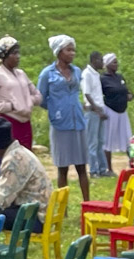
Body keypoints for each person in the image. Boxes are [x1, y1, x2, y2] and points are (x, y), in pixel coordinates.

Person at [35, 34, 90, 201]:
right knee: (63, 168)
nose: (72, 53)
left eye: (73, 50)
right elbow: (41, 98)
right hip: (60, 124)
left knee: (81, 166)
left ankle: (87, 201)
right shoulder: (47, 74)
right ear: (59, 52)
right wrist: (55, 109)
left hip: (78, 122)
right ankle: (62, 205)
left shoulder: (77, 71)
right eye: (68, 50)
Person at [0, 36, 39, 150]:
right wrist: (11, 106)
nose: (18, 56)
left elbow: (37, 95)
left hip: (25, 123)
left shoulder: (21, 74)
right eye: (14, 53)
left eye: (18, 53)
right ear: (4, 55)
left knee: (26, 158)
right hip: (8, 123)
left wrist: (27, 101)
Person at [99, 53, 134, 176]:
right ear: (107, 64)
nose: (116, 64)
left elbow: (127, 90)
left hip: (122, 111)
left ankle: (133, 164)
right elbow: (99, 95)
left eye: (116, 62)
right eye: (114, 62)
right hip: (110, 111)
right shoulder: (103, 79)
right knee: (108, 138)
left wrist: (130, 95)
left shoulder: (119, 77)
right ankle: (109, 168)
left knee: (128, 138)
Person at [81, 50, 108, 177]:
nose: (102, 63)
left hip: (100, 109)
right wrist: (97, 110)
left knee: (101, 141)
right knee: (93, 142)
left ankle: (102, 169)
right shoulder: (87, 74)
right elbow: (87, 93)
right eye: (100, 60)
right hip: (92, 111)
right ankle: (93, 170)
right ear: (94, 60)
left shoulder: (96, 74)